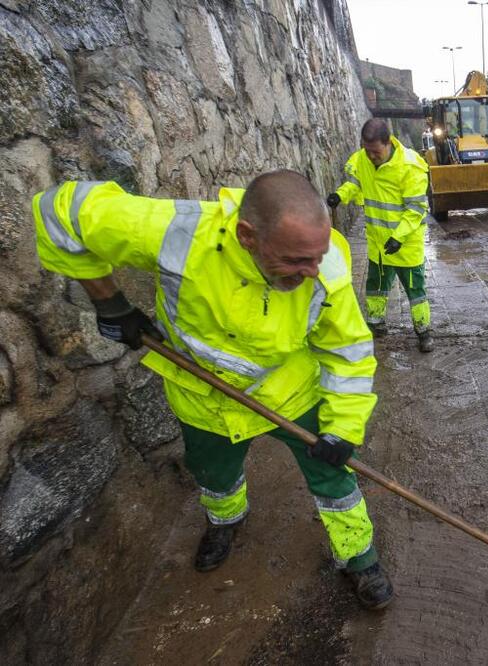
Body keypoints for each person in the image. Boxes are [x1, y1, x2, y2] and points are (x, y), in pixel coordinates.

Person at [32, 171, 394, 610]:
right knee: (213, 474)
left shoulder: (324, 272)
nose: (310, 271)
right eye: (296, 260)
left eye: (316, 257)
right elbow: (61, 210)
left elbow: (350, 355)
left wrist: (343, 430)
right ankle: (225, 521)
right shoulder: (178, 236)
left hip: (290, 394)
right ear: (247, 236)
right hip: (203, 397)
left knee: (334, 475)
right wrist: (110, 303)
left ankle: (359, 556)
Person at [327, 119, 434, 353]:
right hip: (378, 242)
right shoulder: (363, 159)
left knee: (415, 290)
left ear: (388, 143)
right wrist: (340, 195)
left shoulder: (410, 166)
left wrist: (399, 237)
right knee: (375, 285)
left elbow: (416, 209)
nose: (371, 156)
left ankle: (424, 331)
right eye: (367, 150)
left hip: (405, 245)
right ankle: (376, 324)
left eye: (375, 152)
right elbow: (355, 184)